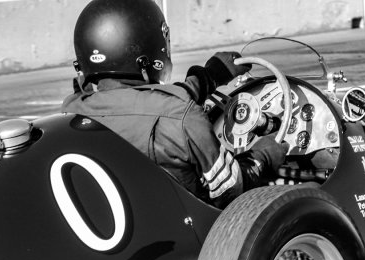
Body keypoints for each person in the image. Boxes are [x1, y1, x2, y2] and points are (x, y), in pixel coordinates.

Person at [62, 0, 289, 209]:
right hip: (188, 240)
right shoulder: (184, 119)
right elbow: (231, 189)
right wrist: (263, 157)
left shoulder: (71, 113)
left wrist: (207, 78)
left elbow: (136, 105)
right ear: (146, 56)